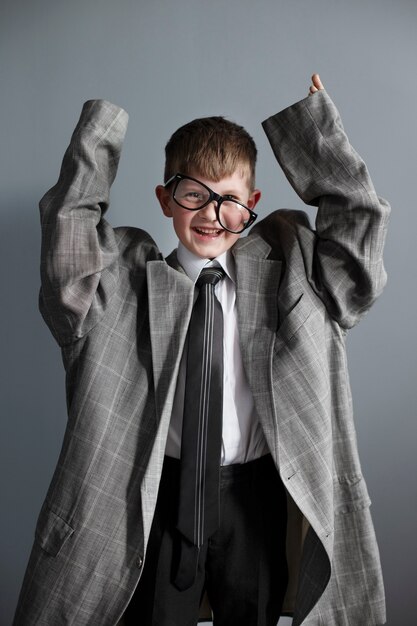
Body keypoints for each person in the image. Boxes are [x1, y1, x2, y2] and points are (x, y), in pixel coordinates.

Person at [14, 75, 389, 626]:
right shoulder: (119, 288)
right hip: (153, 500)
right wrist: (100, 132)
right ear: (165, 198)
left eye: (231, 200)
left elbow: (360, 232)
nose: (212, 214)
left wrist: (317, 133)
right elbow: (67, 245)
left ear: (252, 205)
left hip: (255, 501)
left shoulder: (295, 277)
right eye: (194, 194)